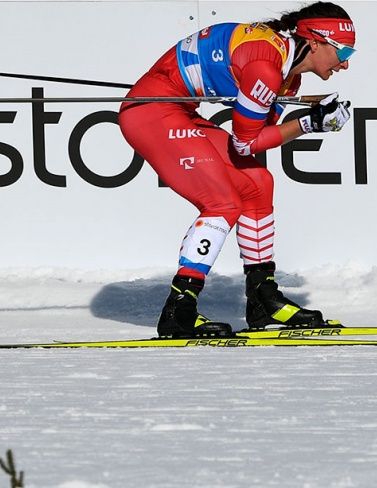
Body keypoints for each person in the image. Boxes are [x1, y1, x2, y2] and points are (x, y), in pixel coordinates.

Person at [118, 2, 356, 338]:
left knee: (258, 183)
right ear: (315, 41)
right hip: (151, 111)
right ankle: (179, 309)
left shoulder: (287, 79)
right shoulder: (268, 68)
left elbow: (256, 132)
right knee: (222, 202)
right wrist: (308, 123)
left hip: (179, 108)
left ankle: (262, 298)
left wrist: (301, 113)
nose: (345, 63)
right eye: (343, 51)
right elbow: (247, 143)